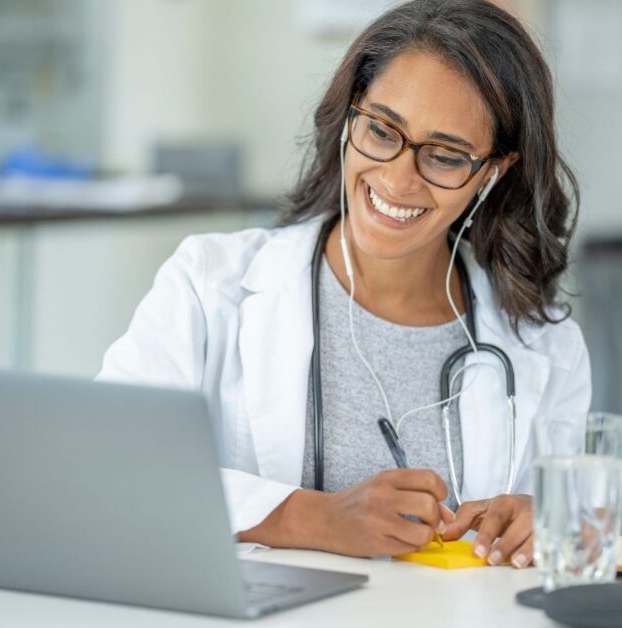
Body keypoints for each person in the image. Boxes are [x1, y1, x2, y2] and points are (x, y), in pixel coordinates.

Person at [98, 0, 590, 569]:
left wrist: (548, 523)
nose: (397, 177)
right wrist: (318, 519)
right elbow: (112, 464)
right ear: (349, 117)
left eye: (446, 156)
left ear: (493, 171)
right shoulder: (210, 284)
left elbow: (567, 545)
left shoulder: (547, 349)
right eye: (382, 130)